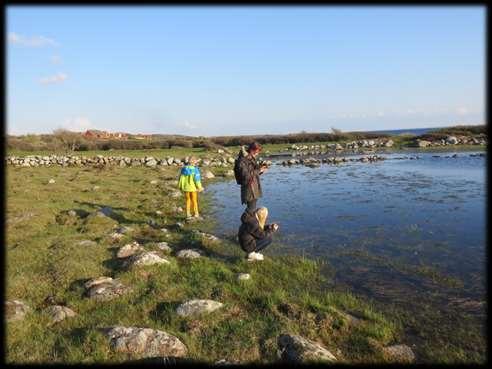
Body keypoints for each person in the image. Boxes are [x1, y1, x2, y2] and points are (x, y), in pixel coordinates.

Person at [234, 142, 268, 212]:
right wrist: (259, 170)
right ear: (252, 150)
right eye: (257, 152)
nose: (257, 154)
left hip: (254, 187)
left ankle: (249, 221)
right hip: (249, 188)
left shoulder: (250, 158)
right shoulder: (242, 160)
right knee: (250, 210)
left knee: (252, 209)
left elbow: (253, 172)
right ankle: (247, 222)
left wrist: (261, 170)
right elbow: (246, 176)